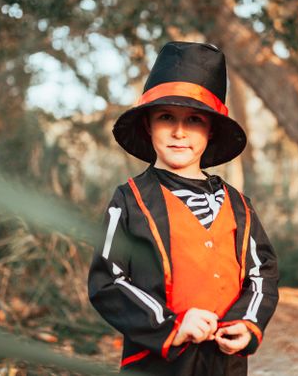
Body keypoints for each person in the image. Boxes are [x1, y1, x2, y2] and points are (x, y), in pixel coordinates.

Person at [88, 41, 279, 375]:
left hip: (225, 364)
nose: (179, 132)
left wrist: (247, 323)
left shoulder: (239, 206)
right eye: (166, 117)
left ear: (210, 129)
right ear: (148, 125)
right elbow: (108, 282)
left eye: (194, 119)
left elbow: (261, 272)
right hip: (157, 365)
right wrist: (172, 324)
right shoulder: (129, 200)